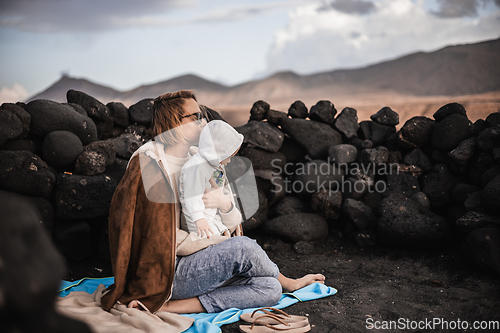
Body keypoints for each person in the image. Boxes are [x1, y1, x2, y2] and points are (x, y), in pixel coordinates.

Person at [100, 90, 325, 315]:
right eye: (196, 117)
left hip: (204, 264)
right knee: (244, 248)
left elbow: (231, 223)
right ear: (173, 123)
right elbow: (154, 236)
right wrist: (216, 243)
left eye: (203, 115)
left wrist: (224, 203)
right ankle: (290, 282)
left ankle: (170, 308)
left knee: (269, 289)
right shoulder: (151, 165)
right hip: (167, 272)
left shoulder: (202, 160)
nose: (204, 122)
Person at [178, 120, 243, 239]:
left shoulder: (213, 165)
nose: (228, 161)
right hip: (195, 219)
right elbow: (191, 195)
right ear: (217, 151)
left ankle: (224, 235)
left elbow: (223, 193)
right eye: (227, 157)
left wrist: (225, 203)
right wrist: (198, 218)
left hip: (209, 213)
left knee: (220, 230)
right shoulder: (196, 167)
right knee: (209, 236)